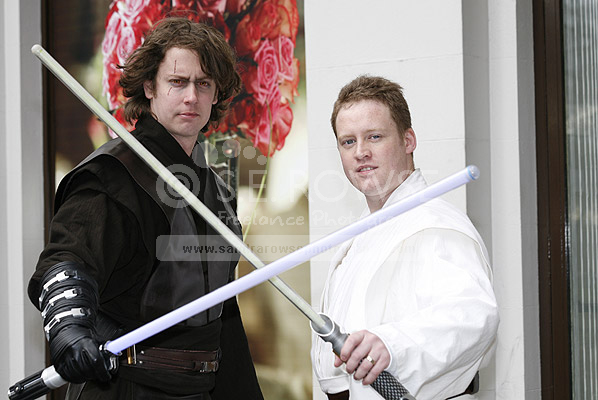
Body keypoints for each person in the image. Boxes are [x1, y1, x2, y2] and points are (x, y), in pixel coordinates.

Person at [28, 17, 263, 399]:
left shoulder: (216, 191)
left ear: (216, 94)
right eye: (177, 82)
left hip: (201, 389)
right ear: (150, 87)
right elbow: (68, 260)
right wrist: (69, 329)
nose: (191, 97)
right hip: (125, 387)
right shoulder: (113, 174)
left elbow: (222, 313)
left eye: (204, 83)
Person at [311, 75, 499, 400]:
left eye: (374, 136)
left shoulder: (436, 226)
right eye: (348, 142)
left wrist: (392, 345)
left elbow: (472, 316)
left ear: (408, 140)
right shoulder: (360, 235)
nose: (361, 152)